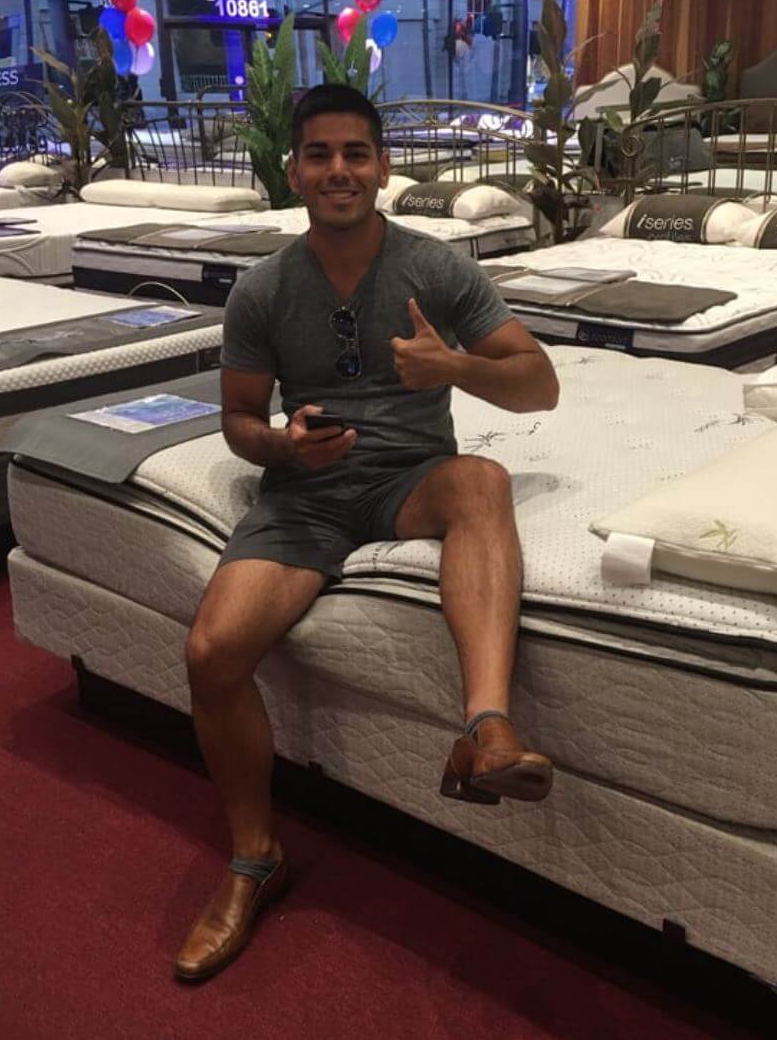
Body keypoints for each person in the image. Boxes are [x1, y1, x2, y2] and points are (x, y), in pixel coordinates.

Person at [174, 84, 560, 983]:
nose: (338, 170)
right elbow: (236, 420)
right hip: (304, 494)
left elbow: (538, 386)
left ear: (384, 167)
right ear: (294, 169)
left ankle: (488, 731)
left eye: (356, 153)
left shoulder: (437, 269)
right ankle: (253, 857)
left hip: (408, 482)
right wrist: (280, 446)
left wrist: (452, 366)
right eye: (319, 154)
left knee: (483, 481)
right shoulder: (264, 288)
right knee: (210, 653)